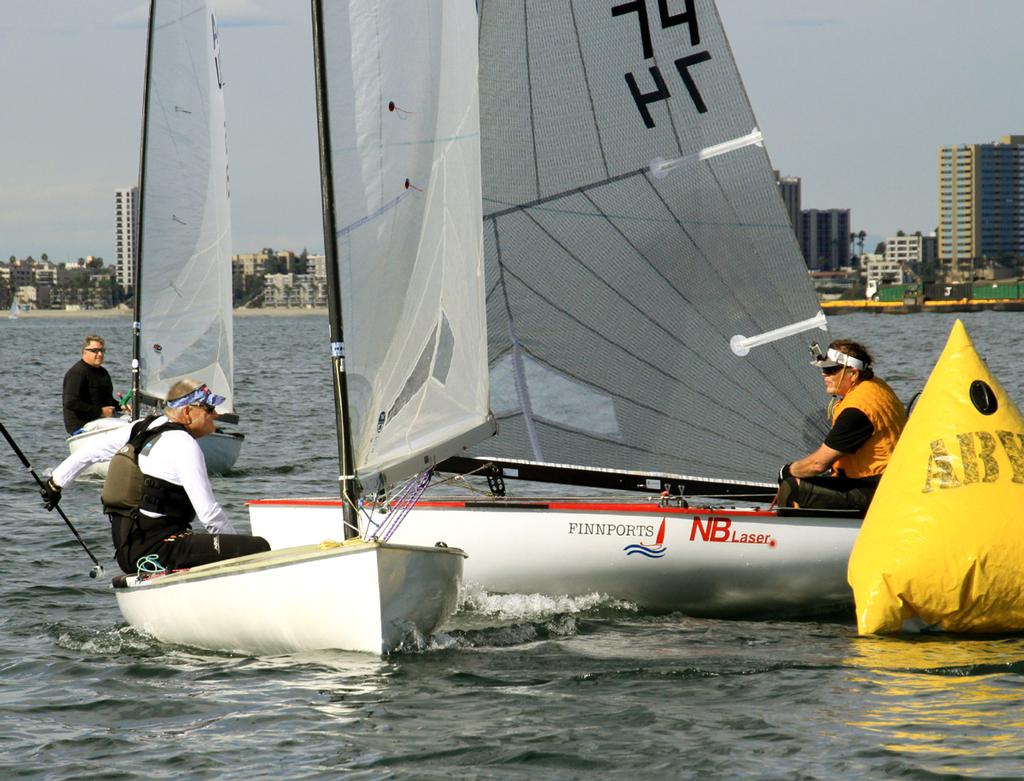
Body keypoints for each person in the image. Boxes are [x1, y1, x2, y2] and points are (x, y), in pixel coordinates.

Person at [41, 379, 269, 575]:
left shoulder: (144, 427)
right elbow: (208, 514)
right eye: (209, 410)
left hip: (128, 551)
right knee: (258, 547)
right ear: (188, 412)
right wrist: (236, 553)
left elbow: (90, 451)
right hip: (157, 550)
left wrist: (55, 483)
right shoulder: (184, 444)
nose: (216, 415)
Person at [777, 339, 907, 511]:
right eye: (824, 369)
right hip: (887, 483)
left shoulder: (858, 410)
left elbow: (818, 464)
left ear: (853, 374)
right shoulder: (876, 386)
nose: (825, 375)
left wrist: (786, 471)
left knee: (792, 486)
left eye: (831, 370)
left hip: (877, 492)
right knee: (806, 480)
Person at [62, 335, 125, 434]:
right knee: (127, 426)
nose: (100, 354)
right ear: (84, 352)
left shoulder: (103, 372)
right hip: (83, 426)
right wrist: (100, 412)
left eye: (102, 350)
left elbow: (106, 400)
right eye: (95, 351)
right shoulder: (77, 373)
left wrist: (121, 406)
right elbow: (70, 402)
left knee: (138, 421)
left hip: (102, 420)